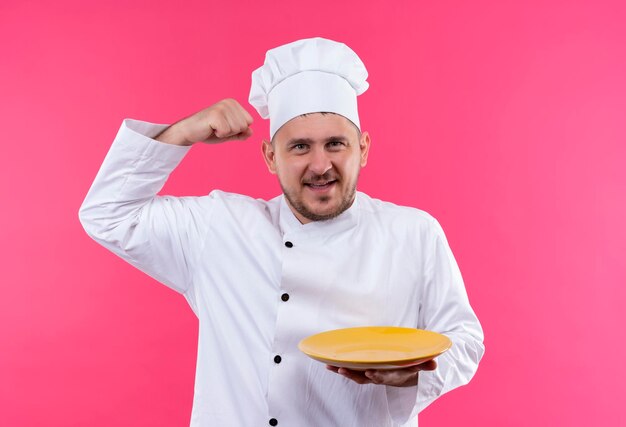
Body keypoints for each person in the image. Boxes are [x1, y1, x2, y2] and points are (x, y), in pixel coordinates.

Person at [79, 37, 484, 427]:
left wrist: (414, 375)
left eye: (336, 144)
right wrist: (183, 132)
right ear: (271, 157)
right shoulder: (219, 227)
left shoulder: (413, 233)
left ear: (363, 148)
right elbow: (107, 214)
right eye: (300, 147)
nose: (321, 164)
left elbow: (464, 341)